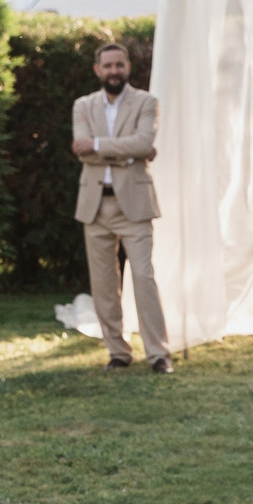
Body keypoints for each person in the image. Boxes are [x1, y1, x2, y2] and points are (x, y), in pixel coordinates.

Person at [72, 42, 172, 373]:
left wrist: (100, 145)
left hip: (136, 206)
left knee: (143, 277)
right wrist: (130, 153)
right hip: (95, 206)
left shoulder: (146, 102)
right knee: (103, 284)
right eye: (108, 65)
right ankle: (118, 352)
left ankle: (158, 354)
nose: (114, 70)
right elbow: (80, 150)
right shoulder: (83, 106)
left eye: (119, 64)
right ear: (97, 70)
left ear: (127, 67)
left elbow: (143, 143)